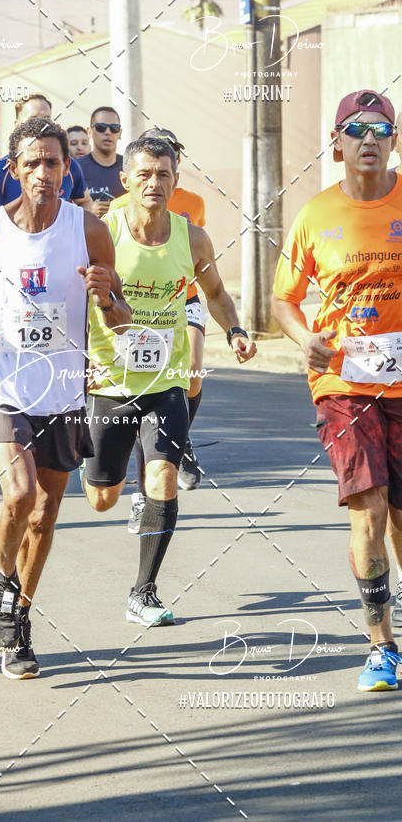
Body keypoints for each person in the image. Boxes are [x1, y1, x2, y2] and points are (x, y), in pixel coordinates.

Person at [0, 117, 130, 679]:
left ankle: (18, 624)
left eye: (54, 162)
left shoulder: (88, 229)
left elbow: (120, 319)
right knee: (19, 495)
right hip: (3, 381)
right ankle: (0, 578)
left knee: (44, 516)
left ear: (68, 169)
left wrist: (108, 300)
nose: (44, 172)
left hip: (63, 388)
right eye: (33, 163)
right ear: (15, 170)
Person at [82, 137, 256, 627]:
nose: (154, 183)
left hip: (165, 381)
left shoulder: (192, 237)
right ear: (125, 180)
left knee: (161, 477)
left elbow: (216, 292)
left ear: (176, 180)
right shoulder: (103, 234)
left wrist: (236, 329)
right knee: (102, 497)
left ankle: (144, 591)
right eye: (144, 174)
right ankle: (95, 470)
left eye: (163, 174)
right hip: (108, 383)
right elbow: (73, 302)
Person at [272, 89, 402, 692]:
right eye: (356, 128)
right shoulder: (314, 216)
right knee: (369, 510)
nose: (368, 138)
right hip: (342, 385)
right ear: (336, 143)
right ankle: (382, 647)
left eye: (380, 128)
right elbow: (284, 299)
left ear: (394, 141)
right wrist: (306, 339)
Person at [110, 128, 208, 532]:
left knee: (193, 373)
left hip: (184, 296)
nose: (156, 180)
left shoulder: (194, 203)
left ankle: (180, 437)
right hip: (139, 304)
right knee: (145, 392)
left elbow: (197, 257)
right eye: (148, 169)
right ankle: (140, 493)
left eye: (170, 161)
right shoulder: (121, 205)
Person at [0, 94, 94, 212]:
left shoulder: (69, 165)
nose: (40, 126)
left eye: (46, 119)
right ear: (17, 125)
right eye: (32, 120)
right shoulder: (1, 169)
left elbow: (84, 201)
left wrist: (81, 226)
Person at [78, 106, 125, 218]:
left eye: (114, 128)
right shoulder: (76, 168)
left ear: (120, 133)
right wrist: (87, 209)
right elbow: (63, 208)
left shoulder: (130, 167)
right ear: (89, 132)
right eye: (101, 127)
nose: (108, 132)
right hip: (88, 233)